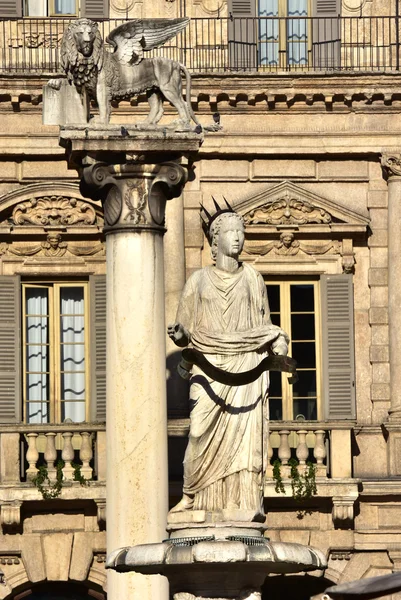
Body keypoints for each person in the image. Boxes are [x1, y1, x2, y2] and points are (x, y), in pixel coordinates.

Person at [168, 207, 289, 520]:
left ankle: (243, 501)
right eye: (231, 232)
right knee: (198, 433)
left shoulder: (253, 278)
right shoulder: (198, 281)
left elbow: (264, 325)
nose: (238, 237)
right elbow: (184, 330)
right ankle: (192, 496)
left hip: (247, 367)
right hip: (208, 367)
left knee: (245, 439)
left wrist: (277, 340)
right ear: (215, 239)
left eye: (241, 231)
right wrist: (181, 334)